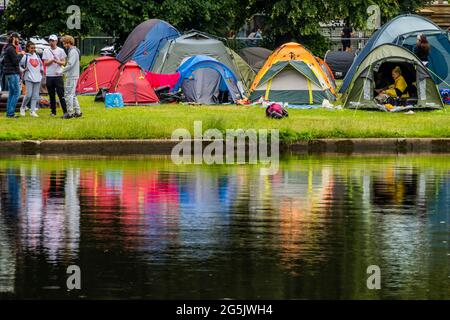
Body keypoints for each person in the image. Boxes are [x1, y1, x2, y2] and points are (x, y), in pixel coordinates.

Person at [42, 34, 68, 117]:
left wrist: (57, 62)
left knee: (61, 94)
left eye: (53, 41)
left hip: (58, 75)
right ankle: (53, 112)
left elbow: (64, 62)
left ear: (56, 41)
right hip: (49, 75)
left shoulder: (61, 50)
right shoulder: (46, 50)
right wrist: (52, 60)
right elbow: (45, 63)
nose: (51, 42)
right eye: (50, 41)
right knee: (51, 95)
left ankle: (65, 111)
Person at [19, 41, 44, 117]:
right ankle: (22, 107)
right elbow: (19, 65)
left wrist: (42, 69)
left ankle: (32, 111)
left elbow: (41, 65)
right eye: (31, 48)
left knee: (35, 95)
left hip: (37, 77)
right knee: (29, 94)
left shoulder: (37, 56)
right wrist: (23, 70)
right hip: (28, 77)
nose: (33, 49)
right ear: (28, 48)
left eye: (34, 48)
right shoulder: (25, 56)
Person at [3, 33, 24, 118]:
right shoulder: (11, 48)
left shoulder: (9, 47)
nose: (19, 40)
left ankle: (9, 113)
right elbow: (15, 61)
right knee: (17, 92)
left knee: (12, 93)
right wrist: (21, 54)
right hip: (12, 73)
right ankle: (11, 113)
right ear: (14, 38)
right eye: (18, 38)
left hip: (10, 73)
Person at [61, 35, 82, 118]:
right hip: (73, 75)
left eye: (64, 43)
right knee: (72, 95)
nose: (63, 45)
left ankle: (70, 113)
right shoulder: (74, 50)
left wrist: (62, 71)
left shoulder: (73, 51)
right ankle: (78, 112)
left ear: (68, 42)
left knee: (68, 94)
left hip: (72, 75)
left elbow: (70, 64)